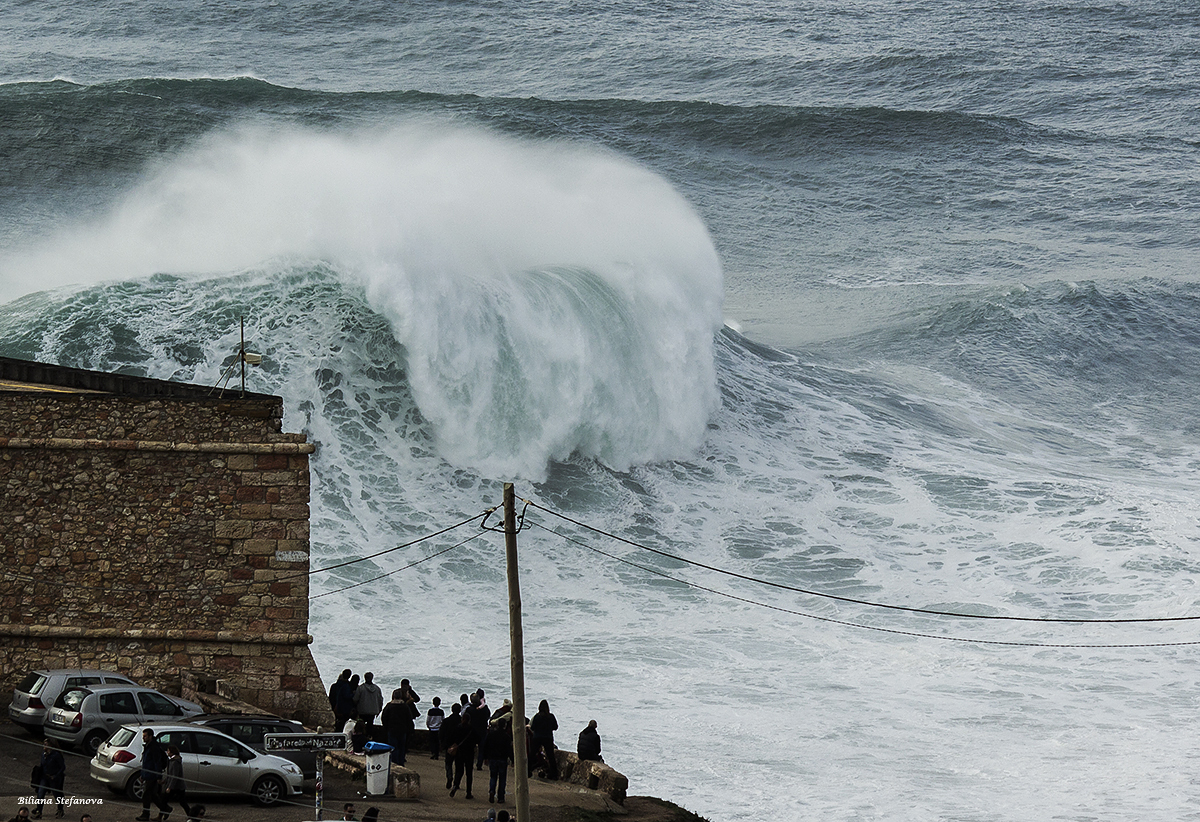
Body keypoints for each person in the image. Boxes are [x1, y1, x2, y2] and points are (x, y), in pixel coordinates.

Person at [136, 729, 171, 821]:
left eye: (145, 736)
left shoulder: (154, 748)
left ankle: (145, 814)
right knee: (153, 795)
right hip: (147, 774)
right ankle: (165, 808)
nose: (143, 738)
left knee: (147, 795)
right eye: (143, 736)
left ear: (150, 736)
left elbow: (157, 763)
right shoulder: (148, 746)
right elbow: (146, 762)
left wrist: (158, 776)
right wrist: (142, 775)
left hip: (152, 775)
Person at [162, 745, 200, 822]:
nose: (167, 752)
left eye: (168, 751)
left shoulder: (175, 762)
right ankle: (191, 816)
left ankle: (164, 813)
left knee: (166, 800)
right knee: (182, 802)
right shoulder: (173, 761)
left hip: (176, 786)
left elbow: (174, 775)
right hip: (177, 786)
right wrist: (165, 781)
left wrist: (170, 787)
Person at [448, 699, 478, 799]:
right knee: (469, 773)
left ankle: (455, 785)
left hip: (459, 753)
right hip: (469, 753)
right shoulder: (472, 729)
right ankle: (468, 792)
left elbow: (453, 739)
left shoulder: (458, 728)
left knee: (459, 771)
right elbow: (477, 739)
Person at [481, 713, 513, 805]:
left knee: (493, 776)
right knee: (502, 779)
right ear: (505, 726)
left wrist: (485, 757)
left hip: (493, 758)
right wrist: (512, 760)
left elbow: (486, 746)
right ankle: (501, 797)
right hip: (502, 759)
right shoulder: (507, 737)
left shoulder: (491, 734)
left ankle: (492, 791)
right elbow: (509, 749)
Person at [34, 739, 65, 819]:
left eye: (46, 744)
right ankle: (39, 811)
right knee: (40, 794)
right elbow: (42, 765)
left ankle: (60, 810)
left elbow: (62, 767)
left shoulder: (56, 755)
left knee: (57, 795)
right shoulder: (43, 755)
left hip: (53, 779)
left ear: (50, 746)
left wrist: (55, 776)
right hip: (44, 777)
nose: (44, 746)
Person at [529, 699, 559, 779]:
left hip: (537, 737)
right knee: (550, 756)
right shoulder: (551, 717)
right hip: (547, 737)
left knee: (532, 754)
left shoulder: (537, 716)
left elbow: (533, 727)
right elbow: (555, 727)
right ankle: (554, 774)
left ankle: (527, 770)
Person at [440, 702, 462, 790]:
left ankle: (449, 776)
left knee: (448, 763)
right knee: (458, 766)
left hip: (449, 745)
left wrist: (443, 744)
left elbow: (441, 733)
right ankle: (456, 783)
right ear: (460, 710)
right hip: (459, 746)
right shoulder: (461, 721)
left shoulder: (446, 721)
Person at [467, 690, 491, 771]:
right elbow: (488, 716)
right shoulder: (485, 709)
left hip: (472, 731)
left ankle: (469, 762)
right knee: (481, 749)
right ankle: (479, 764)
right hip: (482, 731)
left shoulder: (469, 710)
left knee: (470, 748)